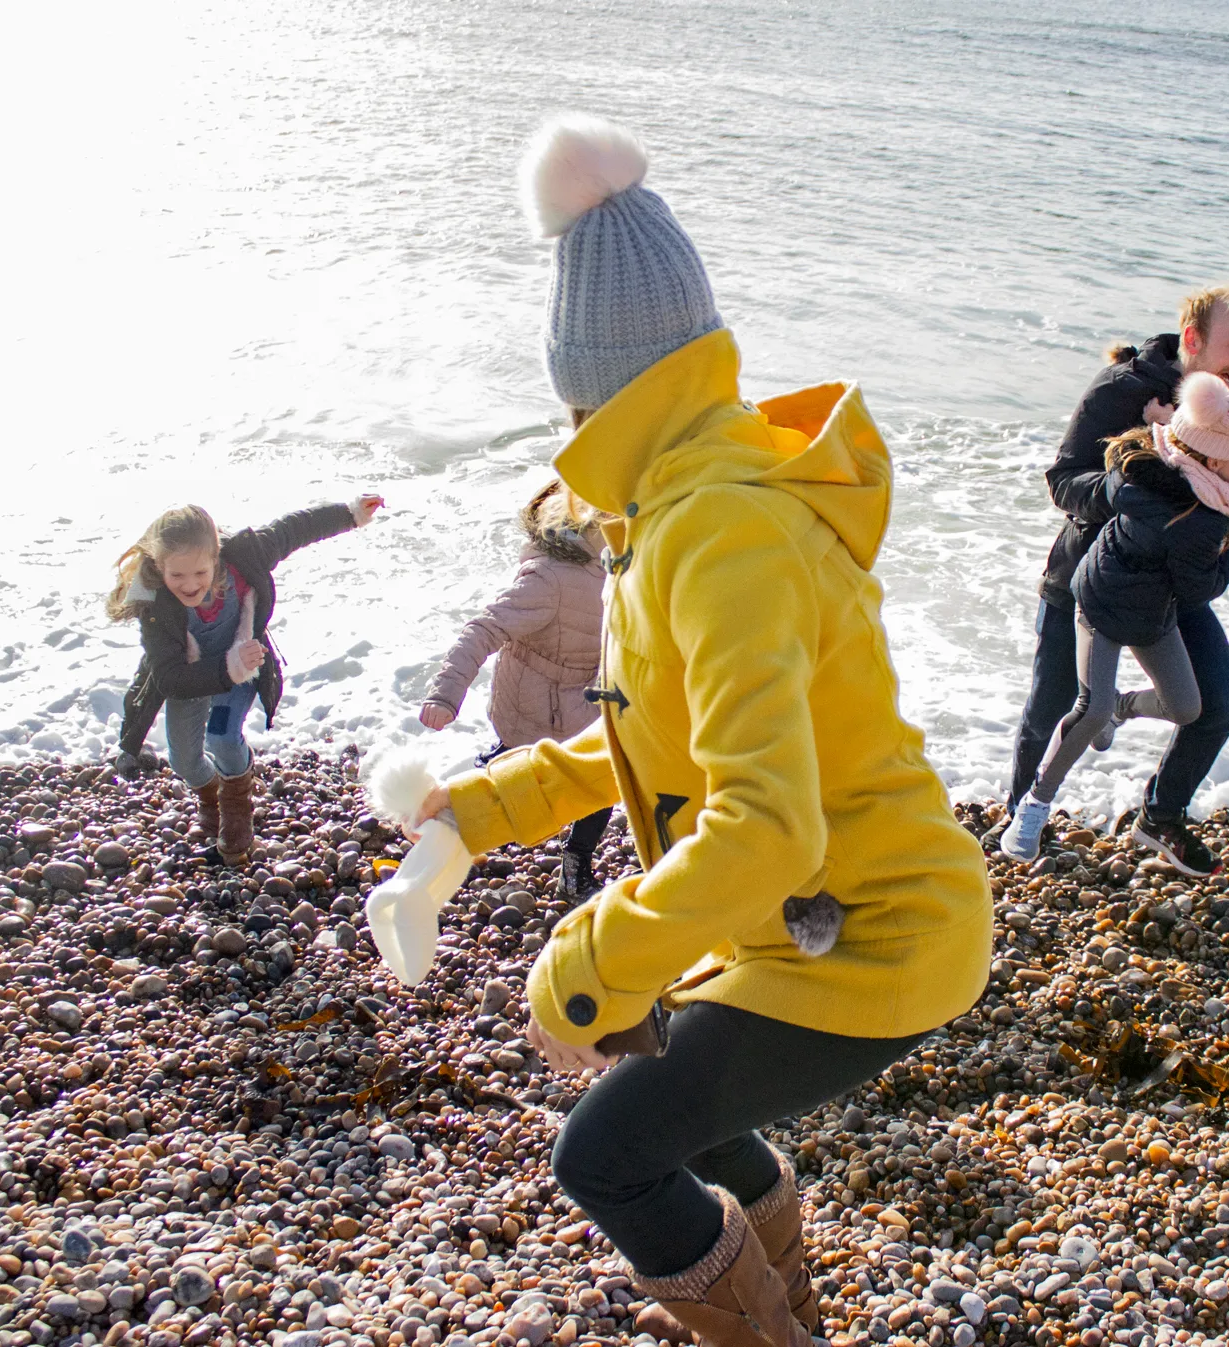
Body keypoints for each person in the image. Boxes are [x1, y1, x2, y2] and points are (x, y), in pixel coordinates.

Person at [405, 115, 990, 1347]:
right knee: (676, 1104)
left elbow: (764, 829)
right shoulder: (673, 510)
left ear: (588, 386)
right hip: (798, 926)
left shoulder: (715, 529)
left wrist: (583, 964)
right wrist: (486, 806)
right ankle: (785, 1315)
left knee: (605, 1157)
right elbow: (651, 739)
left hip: (877, 937)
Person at [1002, 283, 1229, 847]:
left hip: (1173, 585)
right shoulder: (1125, 389)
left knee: (1217, 704)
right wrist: (1143, 476)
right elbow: (1063, 481)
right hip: (1087, 576)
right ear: (1193, 338)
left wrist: (1228, 545)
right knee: (1055, 708)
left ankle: (1160, 815)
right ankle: (1018, 820)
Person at [109, 496, 382, 864]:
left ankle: (236, 805)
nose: (190, 585)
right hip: (189, 676)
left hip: (243, 665)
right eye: (177, 576)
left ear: (216, 557)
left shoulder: (245, 557)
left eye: (200, 574)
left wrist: (350, 514)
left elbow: (293, 529)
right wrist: (226, 668)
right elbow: (171, 679)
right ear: (159, 568)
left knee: (222, 737)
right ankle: (212, 798)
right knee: (185, 761)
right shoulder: (155, 604)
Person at [416, 479, 611, 900]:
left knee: (599, 784)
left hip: (585, 701)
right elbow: (482, 630)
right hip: (532, 705)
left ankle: (575, 867)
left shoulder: (618, 567)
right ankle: (436, 836)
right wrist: (445, 694)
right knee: (505, 772)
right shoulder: (547, 580)